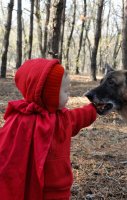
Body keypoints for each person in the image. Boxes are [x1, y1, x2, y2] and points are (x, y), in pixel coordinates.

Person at [0, 58, 97, 200]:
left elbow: (78, 118)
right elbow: (6, 151)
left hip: (59, 186)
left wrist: (93, 109)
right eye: (65, 91)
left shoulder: (62, 118)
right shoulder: (22, 119)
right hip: (37, 186)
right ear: (48, 94)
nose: (68, 96)